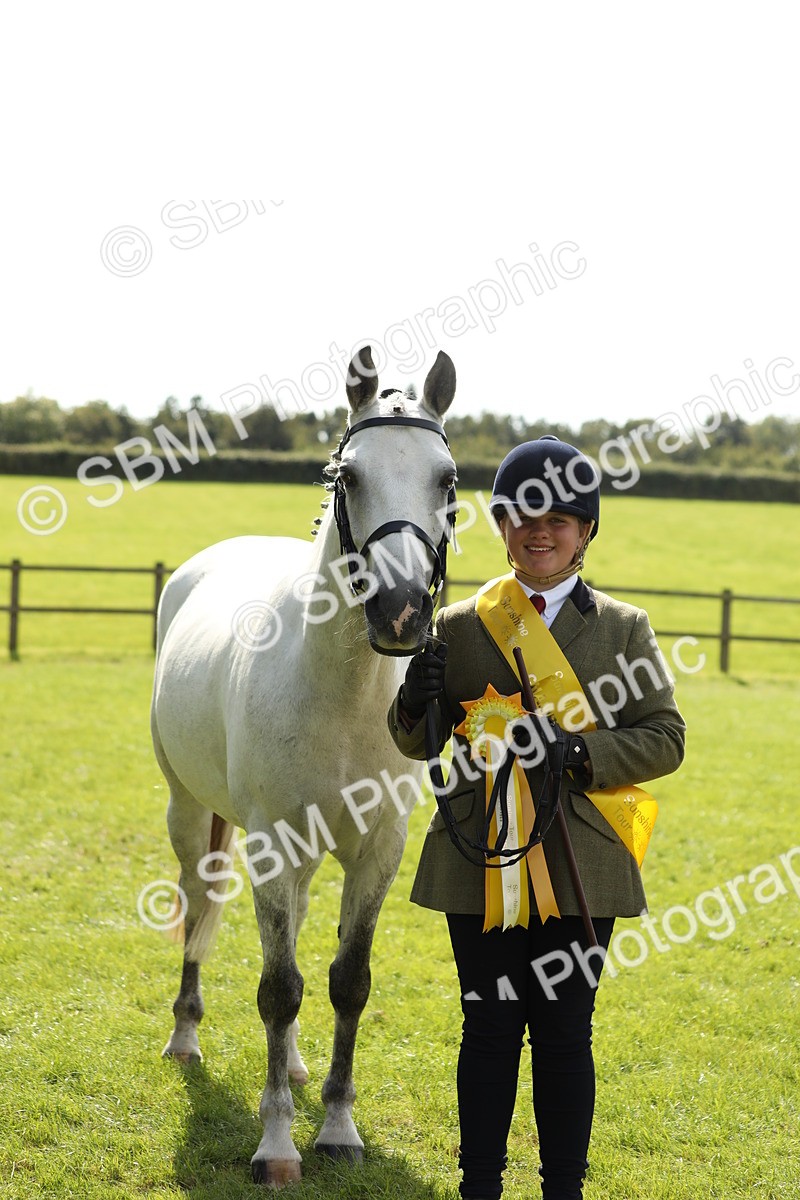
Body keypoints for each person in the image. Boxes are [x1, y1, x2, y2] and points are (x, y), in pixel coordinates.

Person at [387, 436, 686, 1200]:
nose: (539, 532)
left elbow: (665, 738)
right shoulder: (455, 624)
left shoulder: (625, 628)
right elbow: (410, 740)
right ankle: (478, 1187)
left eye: (559, 518)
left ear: (587, 531)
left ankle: (563, 1191)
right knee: (487, 1029)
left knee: (562, 1035)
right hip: (479, 856)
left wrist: (578, 753)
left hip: (583, 861)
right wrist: (415, 695)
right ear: (502, 526)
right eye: (521, 516)